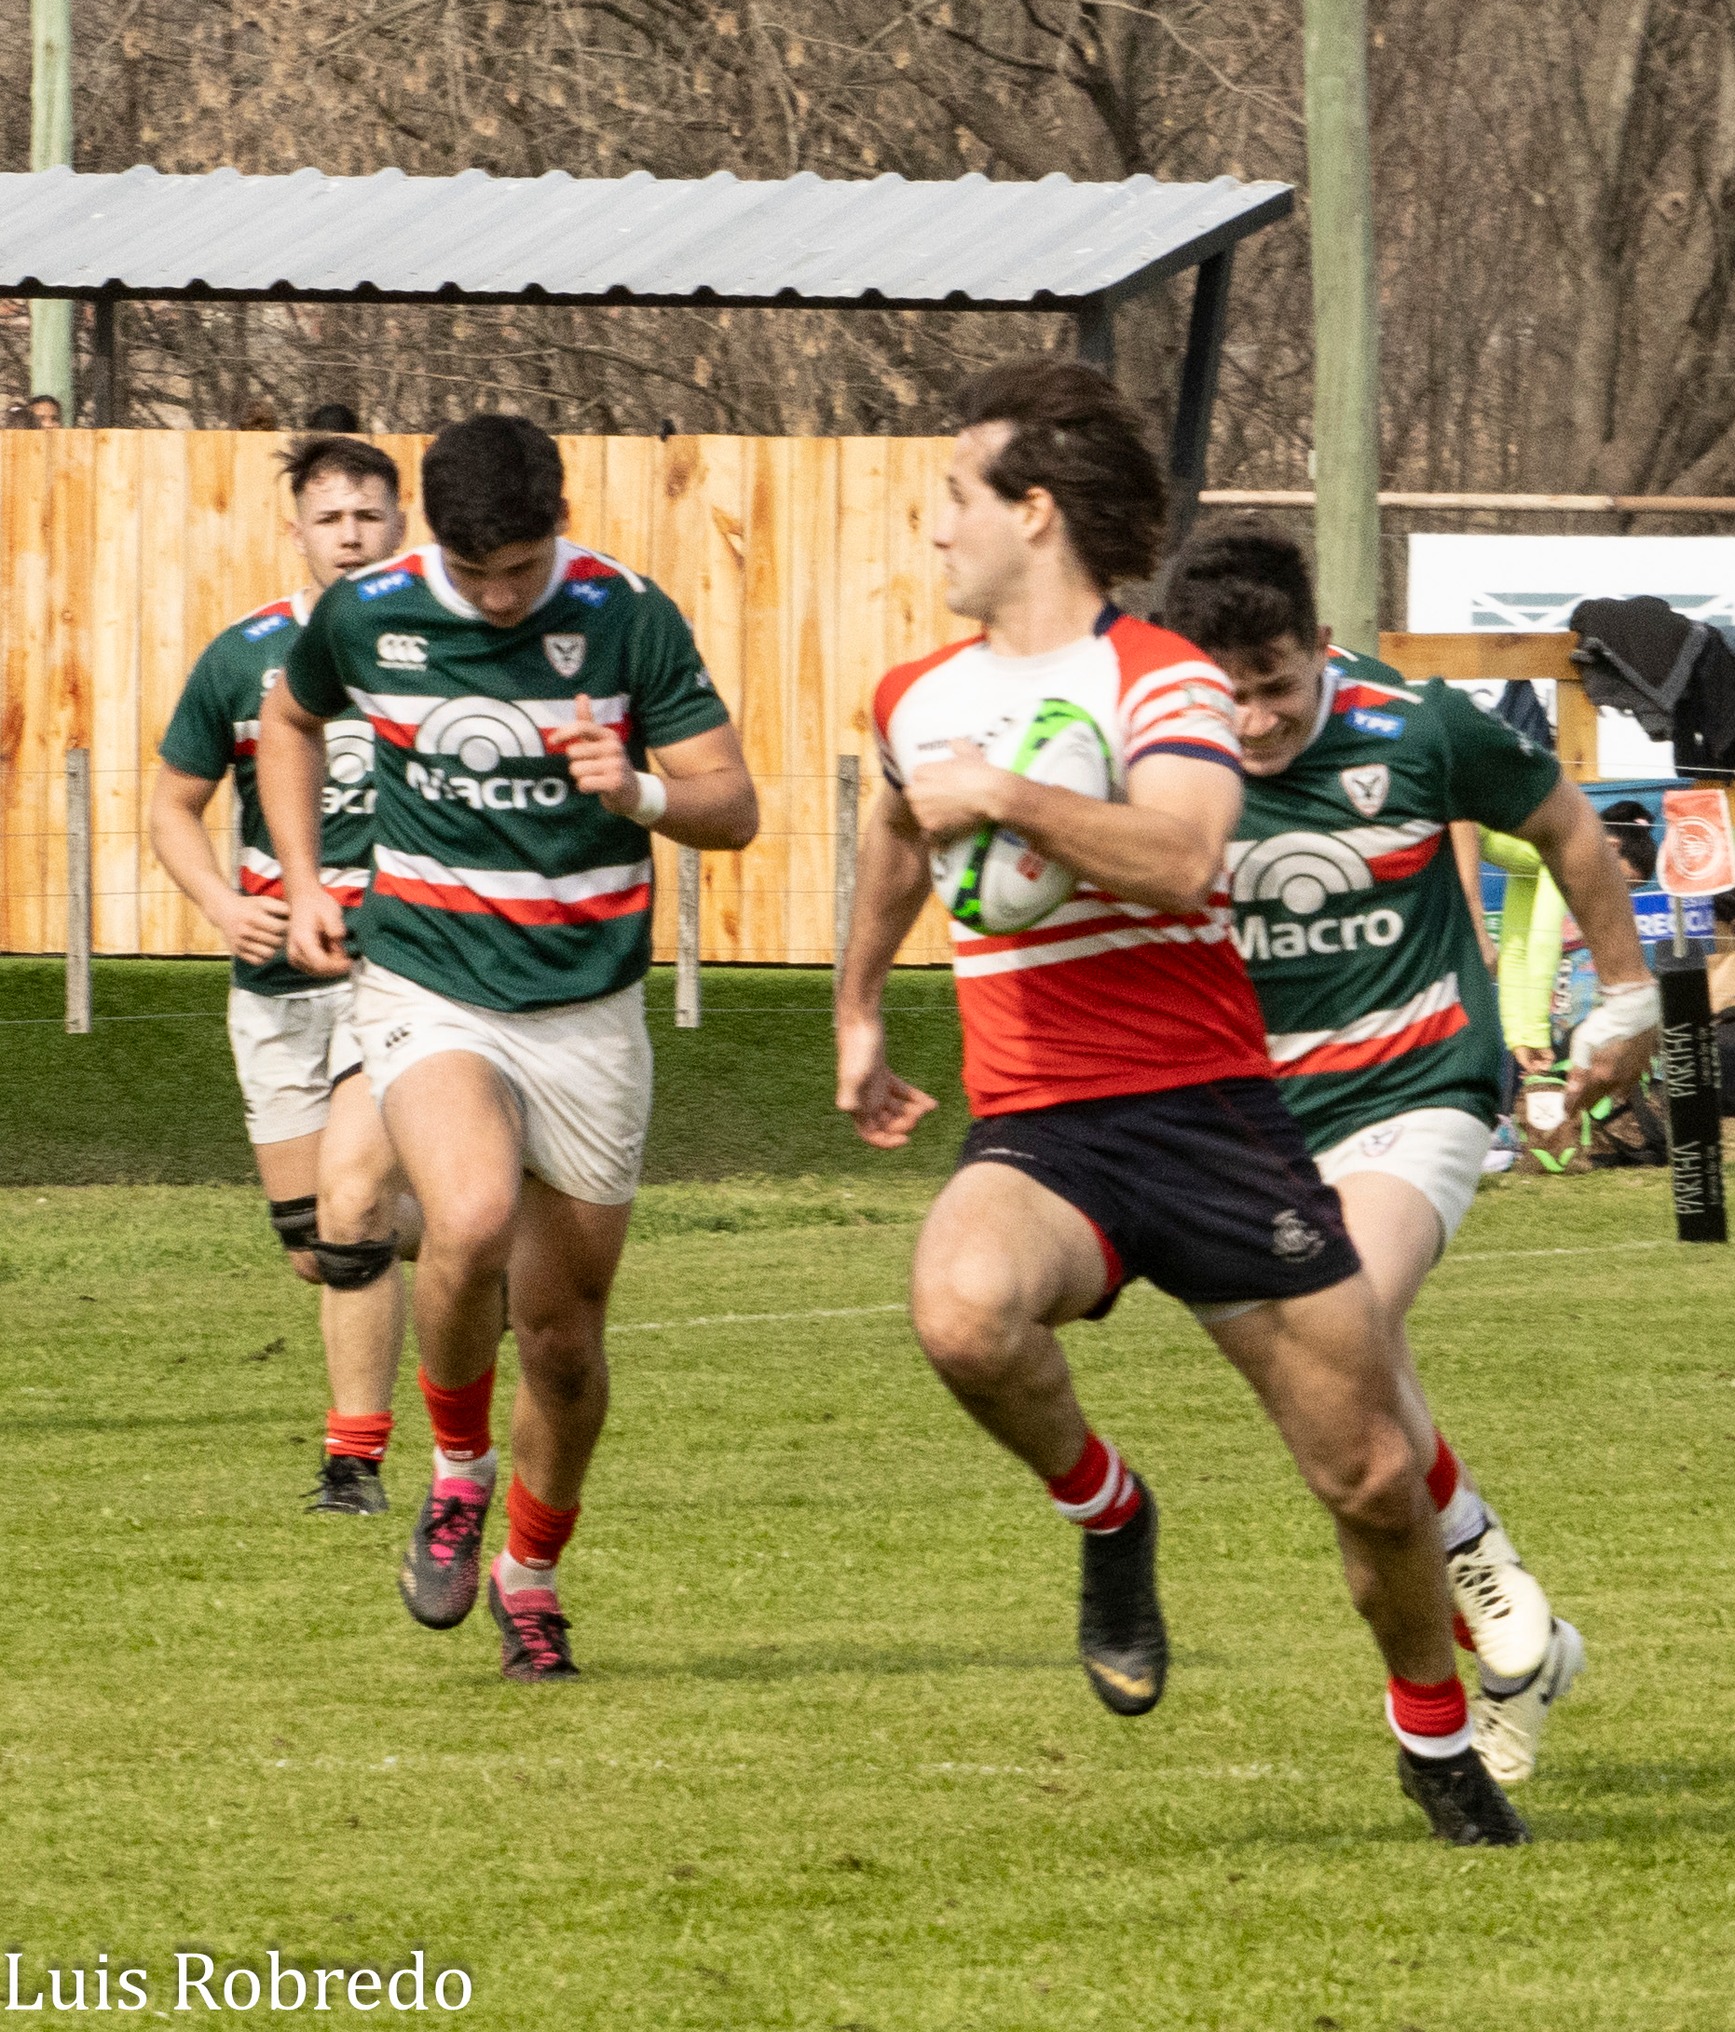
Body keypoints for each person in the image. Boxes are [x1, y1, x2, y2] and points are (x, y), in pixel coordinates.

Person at [835, 359, 1525, 1845]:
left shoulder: (1160, 678)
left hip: (1213, 1120)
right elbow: (896, 827)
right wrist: (853, 1006)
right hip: (1043, 1127)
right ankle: (1106, 1512)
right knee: (959, 1310)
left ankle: (1431, 1730)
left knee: (1370, 1476)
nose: (934, 524)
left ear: (1032, 513)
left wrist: (1009, 800)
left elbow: (1181, 857)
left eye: (958, 495)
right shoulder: (917, 695)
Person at [258, 413, 758, 1683]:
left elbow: (733, 805)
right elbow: (290, 722)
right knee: (467, 1213)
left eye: (520, 570)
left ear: (558, 525)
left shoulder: (629, 614)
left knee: (566, 1339)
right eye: (474, 573)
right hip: (431, 980)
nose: (496, 595)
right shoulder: (369, 613)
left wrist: (638, 790)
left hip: (589, 1007)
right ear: (435, 539)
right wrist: (312, 877)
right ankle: (458, 1472)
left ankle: (530, 1576)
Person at [1163, 527, 1658, 1781]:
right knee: (1335, 1416)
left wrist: (1626, 1000)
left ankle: (1480, 1586)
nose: (1258, 716)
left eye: (1277, 681)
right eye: (1230, 688)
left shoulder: (1419, 725)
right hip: (1248, 1119)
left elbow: (1571, 830)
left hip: (1418, 1086)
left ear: (1316, 647)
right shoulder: (1155, 764)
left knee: (1350, 1318)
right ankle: (1509, 1636)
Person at [150, 434, 418, 1517]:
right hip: (273, 982)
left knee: (355, 1207)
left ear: (401, 522)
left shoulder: (433, 646)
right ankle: (472, 1249)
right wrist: (224, 906)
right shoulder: (241, 657)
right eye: (330, 518)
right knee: (316, 1248)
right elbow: (172, 804)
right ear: (298, 530)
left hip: (397, 966)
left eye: (369, 514)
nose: (351, 534)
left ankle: (352, 1465)